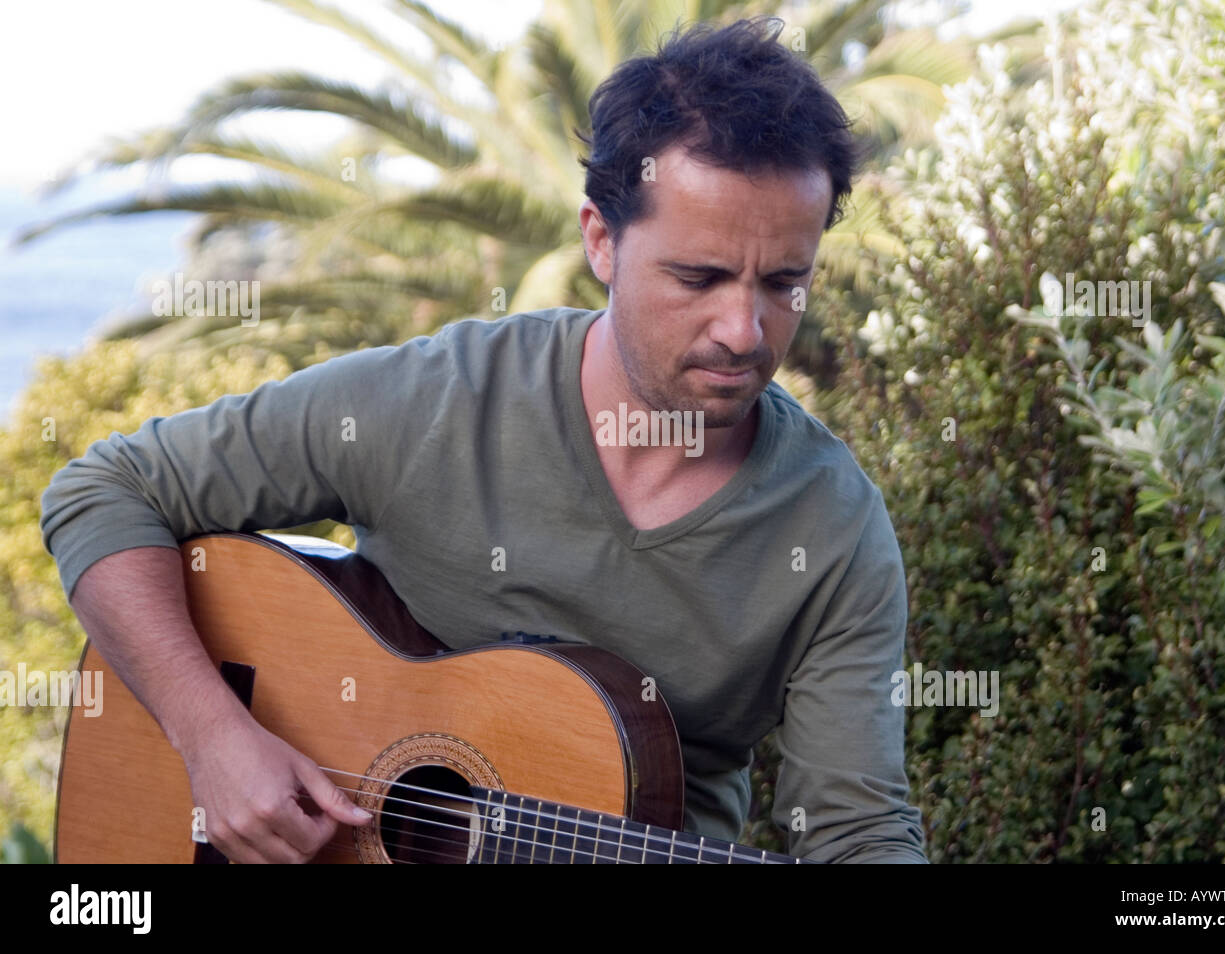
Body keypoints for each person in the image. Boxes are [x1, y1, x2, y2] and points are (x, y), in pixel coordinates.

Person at [40, 16, 928, 864]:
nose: (743, 329)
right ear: (601, 240)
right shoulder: (434, 403)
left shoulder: (832, 529)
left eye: (783, 283)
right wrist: (213, 738)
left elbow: (856, 831)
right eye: (698, 278)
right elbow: (105, 492)